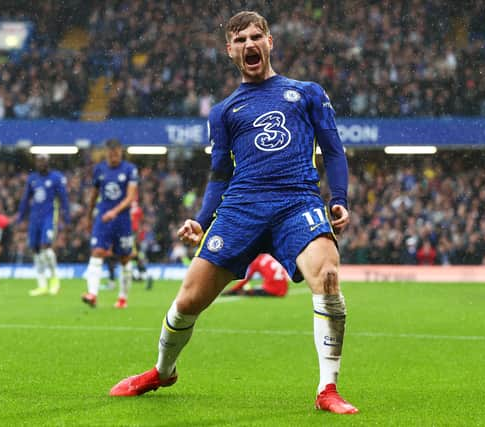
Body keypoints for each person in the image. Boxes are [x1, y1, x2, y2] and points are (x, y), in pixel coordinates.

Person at [110, 11, 358, 415]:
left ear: (270, 41)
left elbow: (333, 149)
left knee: (328, 277)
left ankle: (327, 388)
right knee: (187, 301)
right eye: (239, 39)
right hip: (241, 208)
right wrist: (202, 219)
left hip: (297, 201)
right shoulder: (224, 112)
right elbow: (220, 174)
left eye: (255, 36)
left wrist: (340, 198)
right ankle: (162, 370)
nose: (249, 44)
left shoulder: (307, 92)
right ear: (230, 50)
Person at [82, 138, 139, 309]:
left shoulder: (130, 169)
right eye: (111, 153)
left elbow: (130, 197)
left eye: (117, 153)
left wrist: (114, 211)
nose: (114, 156)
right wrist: (89, 215)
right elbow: (94, 194)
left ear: (121, 152)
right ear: (106, 152)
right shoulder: (99, 169)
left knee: (124, 258)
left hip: (121, 220)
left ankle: (122, 297)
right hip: (103, 217)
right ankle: (92, 294)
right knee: (97, 251)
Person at [15, 153, 71, 296]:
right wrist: (20, 218)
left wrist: (67, 218)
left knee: (46, 247)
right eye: (38, 161)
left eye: (42, 161)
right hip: (35, 219)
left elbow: (63, 199)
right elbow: (26, 200)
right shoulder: (32, 179)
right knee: (35, 249)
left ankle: (54, 279)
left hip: (49, 217)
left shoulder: (56, 178)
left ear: (48, 162)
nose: (40, 163)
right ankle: (42, 285)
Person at [222, 253, 289, 297]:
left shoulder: (256, 261)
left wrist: (232, 290)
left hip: (271, 290)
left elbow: (247, 279)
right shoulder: (270, 257)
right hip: (283, 291)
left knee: (246, 292)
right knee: (258, 287)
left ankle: (236, 292)